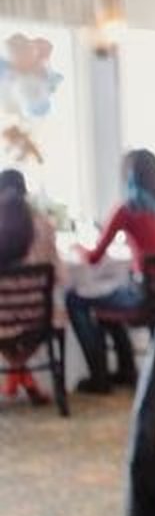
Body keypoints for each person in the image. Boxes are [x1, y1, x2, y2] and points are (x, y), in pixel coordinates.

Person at [68, 148, 155, 394]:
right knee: (107, 299)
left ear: (128, 175)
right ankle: (126, 371)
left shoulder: (127, 209)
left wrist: (77, 247)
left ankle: (99, 377)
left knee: (76, 298)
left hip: (145, 298)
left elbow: (94, 257)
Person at [0, 168, 64, 404]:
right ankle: (25, 379)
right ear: (25, 191)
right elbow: (61, 276)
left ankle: (18, 375)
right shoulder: (44, 225)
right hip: (38, 318)